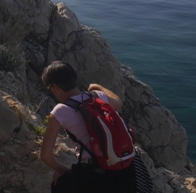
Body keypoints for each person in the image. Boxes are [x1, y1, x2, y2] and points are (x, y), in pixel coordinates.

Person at [40, 62, 137, 193]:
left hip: (93, 174)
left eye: (50, 87)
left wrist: (64, 171)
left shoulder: (60, 111)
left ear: (55, 86)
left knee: (59, 183)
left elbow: (45, 155)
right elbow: (118, 102)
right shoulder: (97, 96)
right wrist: (97, 87)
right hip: (124, 170)